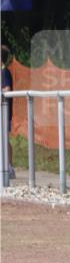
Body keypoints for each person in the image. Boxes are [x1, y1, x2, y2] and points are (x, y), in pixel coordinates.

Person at [1, 45, 13, 181]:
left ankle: (9, 167)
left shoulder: (4, 72)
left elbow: (7, 89)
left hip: (4, 112)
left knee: (5, 139)